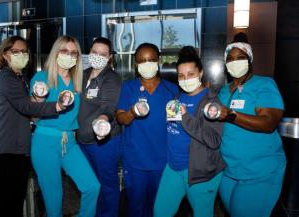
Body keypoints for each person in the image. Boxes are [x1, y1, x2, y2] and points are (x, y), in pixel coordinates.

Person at [0, 36, 62, 217]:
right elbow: (25, 106)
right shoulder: (6, 78)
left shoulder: (20, 78)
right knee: (6, 202)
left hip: (20, 148)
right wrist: (57, 106)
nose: (22, 55)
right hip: (8, 148)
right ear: (5, 55)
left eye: (24, 52)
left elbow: (29, 110)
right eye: (16, 52)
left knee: (15, 200)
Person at [30, 35, 100, 217]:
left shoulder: (78, 81)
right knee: (54, 199)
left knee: (92, 186)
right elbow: (33, 111)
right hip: (45, 141)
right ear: (56, 53)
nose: (69, 56)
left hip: (69, 141)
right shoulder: (42, 77)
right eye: (64, 51)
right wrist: (38, 98)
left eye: (74, 53)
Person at [218, 36, 286, 217]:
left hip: (259, 171)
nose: (234, 62)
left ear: (249, 60)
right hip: (229, 171)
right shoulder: (224, 90)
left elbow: (268, 123)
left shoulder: (264, 85)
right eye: (230, 59)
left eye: (240, 57)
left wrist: (231, 114)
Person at [153, 46, 226, 217]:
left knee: (202, 213)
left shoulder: (212, 102)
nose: (186, 79)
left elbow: (214, 140)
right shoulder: (178, 97)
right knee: (160, 212)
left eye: (191, 74)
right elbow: (172, 130)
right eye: (181, 75)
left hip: (199, 171)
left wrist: (185, 117)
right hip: (172, 167)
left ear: (200, 73)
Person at [117, 43, 178, 217]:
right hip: (135, 160)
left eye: (151, 59)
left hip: (163, 161)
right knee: (135, 207)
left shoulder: (171, 89)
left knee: (158, 207)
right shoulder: (128, 88)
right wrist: (133, 112)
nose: (147, 63)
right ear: (136, 64)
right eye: (142, 61)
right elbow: (121, 118)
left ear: (158, 61)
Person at [76, 37, 121, 217]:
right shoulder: (83, 74)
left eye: (103, 54)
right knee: (92, 184)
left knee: (107, 183)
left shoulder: (111, 78)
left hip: (103, 142)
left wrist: (102, 122)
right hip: (82, 141)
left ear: (109, 57)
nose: (98, 56)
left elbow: (108, 107)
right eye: (95, 52)